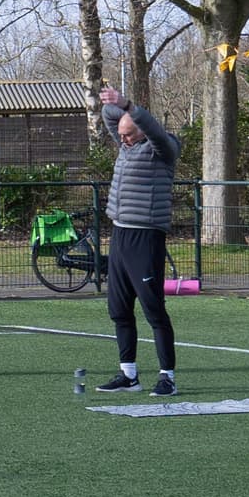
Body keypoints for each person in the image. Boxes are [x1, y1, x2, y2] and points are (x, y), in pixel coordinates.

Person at [91, 91, 179, 396]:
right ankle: (129, 374)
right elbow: (109, 117)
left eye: (129, 135)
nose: (123, 139)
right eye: (121, 135)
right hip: (120, 234)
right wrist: (112, 104)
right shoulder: (125, 144)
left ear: (143, 129)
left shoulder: (162, 149)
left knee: (154, 309)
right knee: (118, 309)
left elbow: (153, 129)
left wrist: (128, 105)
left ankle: (167, 377)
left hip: (146, 237)